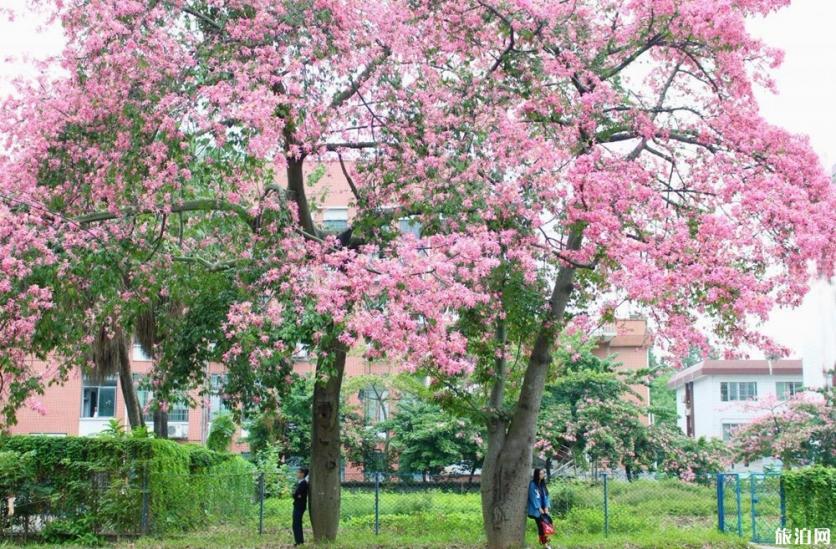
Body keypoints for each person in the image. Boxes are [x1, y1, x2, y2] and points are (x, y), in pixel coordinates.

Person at [527, 468, 552, 547]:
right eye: (541, 474)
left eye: (543, 473)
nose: (543, 475)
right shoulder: (532, 484)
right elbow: (532, 496)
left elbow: (547, 496)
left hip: (544, 509)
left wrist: (546, 507)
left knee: (548, 522)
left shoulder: (542, 485)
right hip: (536, 510)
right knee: (541, 525)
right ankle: (544, 542)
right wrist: (539, 508)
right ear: (537, 475)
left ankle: (544, 540)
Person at [292, 467, 309, 546]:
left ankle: (299, 542)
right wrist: (296, 495)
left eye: (298, 472)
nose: (297, 474)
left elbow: (296, 495)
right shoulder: (300, 483)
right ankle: (298, 541)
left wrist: (296, 495)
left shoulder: (303, 483)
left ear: (302, 474)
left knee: (296, 523)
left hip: (299, 506)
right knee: (296, 523)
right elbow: (296, 494)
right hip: (298, 505)